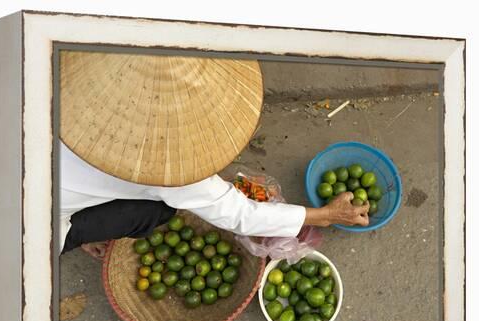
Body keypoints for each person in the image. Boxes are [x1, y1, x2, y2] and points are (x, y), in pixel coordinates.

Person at [58, 51, 369, 259]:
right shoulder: (166, 168)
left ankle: (80, 218)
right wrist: (327, 215)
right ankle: (76, 232)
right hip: (33, 228)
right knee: (158, 212)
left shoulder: (56, 65)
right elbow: (240, 215)